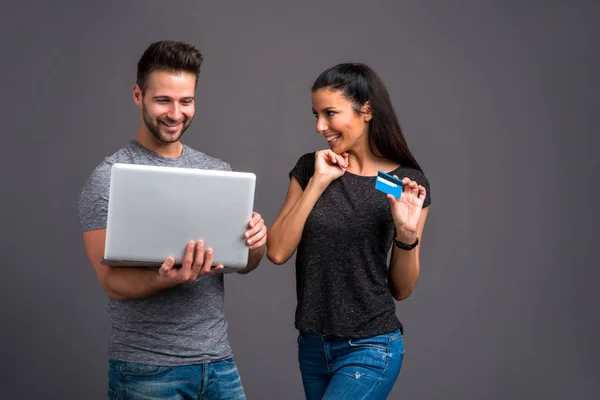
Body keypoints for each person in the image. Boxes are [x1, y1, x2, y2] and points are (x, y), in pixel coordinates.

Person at [77, 40, 266, 400]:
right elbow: (112, 283)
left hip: (218, 364)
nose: (175, 113)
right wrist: (169, 278)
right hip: (147, 369)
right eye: (163, 100)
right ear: (138, 95)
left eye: (186, 101)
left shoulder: (218, 172)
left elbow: (243, 263)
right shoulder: (107, 178)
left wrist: (255, 241)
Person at [266, 62, 432, 399]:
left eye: (329, 113)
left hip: (371, 346)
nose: (320, 126)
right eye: (315, 115)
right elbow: (277, 251)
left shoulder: (402, 184)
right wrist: (318, 182)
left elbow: (402, 288)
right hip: (313, 345)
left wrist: (407, 235)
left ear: (366, 110)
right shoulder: (310, 168)